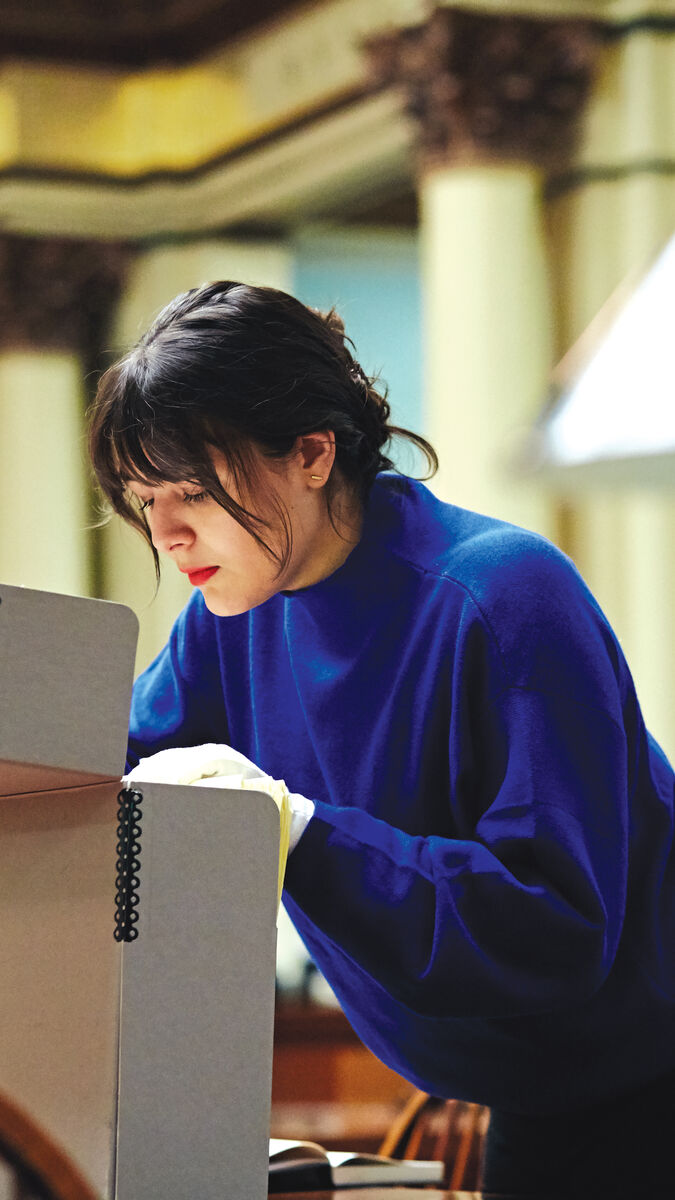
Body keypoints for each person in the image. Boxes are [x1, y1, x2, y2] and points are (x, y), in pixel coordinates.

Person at [89, 280, 674, 1194]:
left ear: (313, 452)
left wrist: (302, 833)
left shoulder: (505, 596)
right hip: (524, 1090)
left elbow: (554, 929)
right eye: (141, 498)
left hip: (641, 1089)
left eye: (190, 491)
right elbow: (93, 769)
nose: (165, 533)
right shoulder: (230, 615)